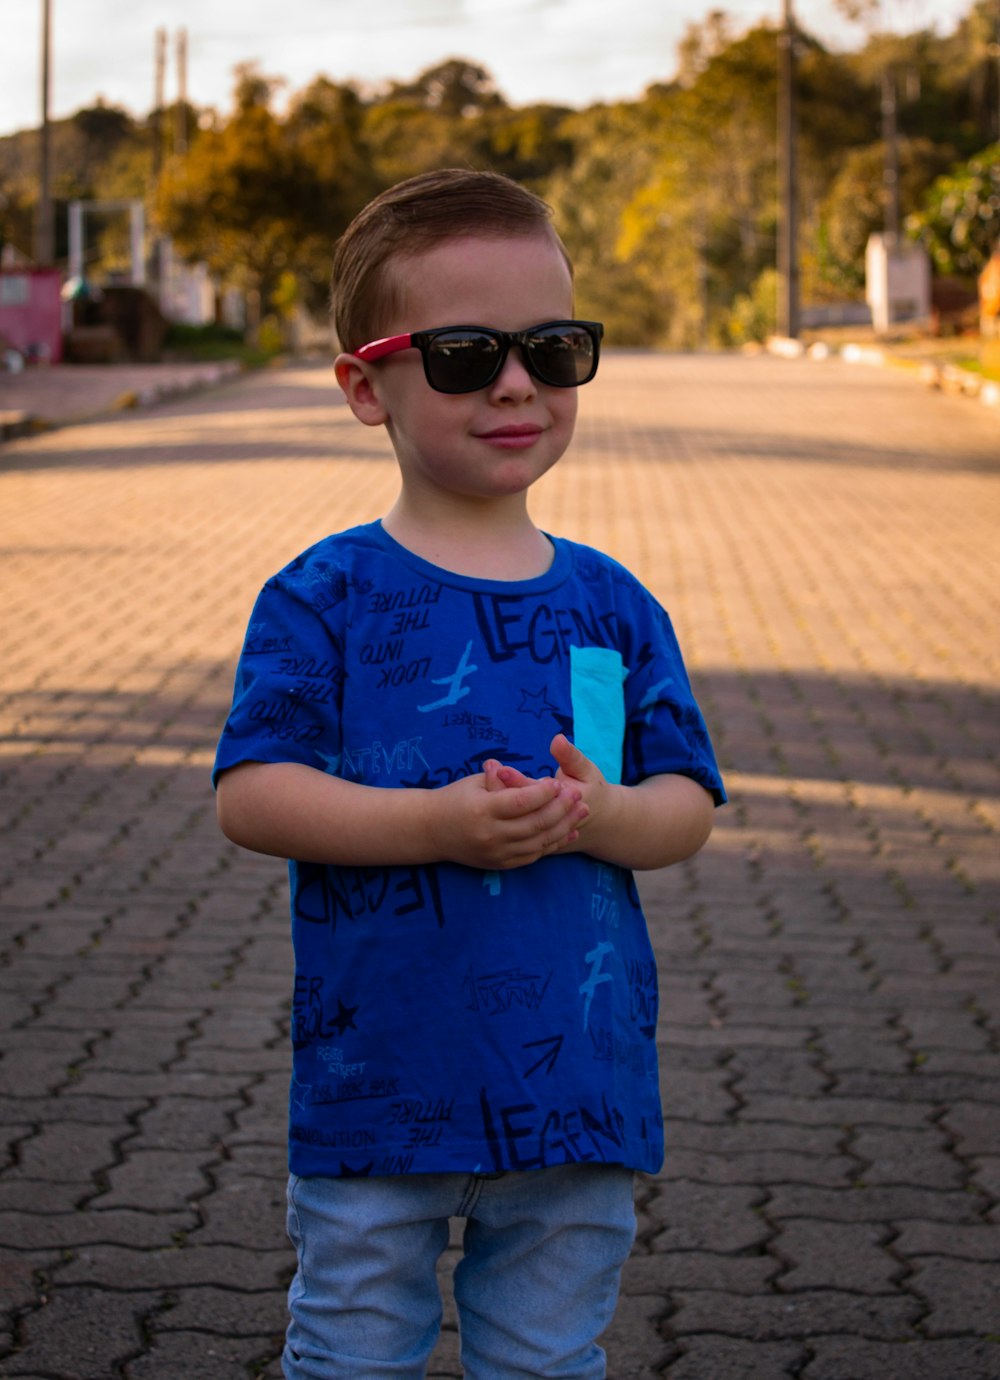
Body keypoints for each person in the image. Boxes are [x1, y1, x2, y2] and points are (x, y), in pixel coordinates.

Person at [213, 167, 726, 1380]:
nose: (514, 383)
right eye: (459, 353)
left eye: (553, 349)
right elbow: (252, 794)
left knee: (551, 1356)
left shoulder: (610, 604)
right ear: (364, 385)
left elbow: (684, 804)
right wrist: (434, 823)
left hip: (576, 1085)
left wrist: (606, 815)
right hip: (383, 1076)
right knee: (353, 1345)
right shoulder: (323, 597)